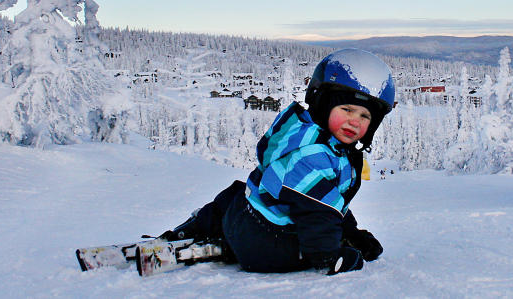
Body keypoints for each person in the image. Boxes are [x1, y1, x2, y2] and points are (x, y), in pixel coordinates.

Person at [159, 49, 395, 275]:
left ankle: (193, 230)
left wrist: (351, 232)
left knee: (237, 193)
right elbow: (321, 212)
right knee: (305, 218)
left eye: (365, 116)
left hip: (246, 218)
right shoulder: (314, 156)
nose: (355, 121)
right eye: (347, 109)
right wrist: (333, 256)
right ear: (324, 105)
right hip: (269, 248)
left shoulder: (302, 133)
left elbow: (329, 200)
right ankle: (230, 244)